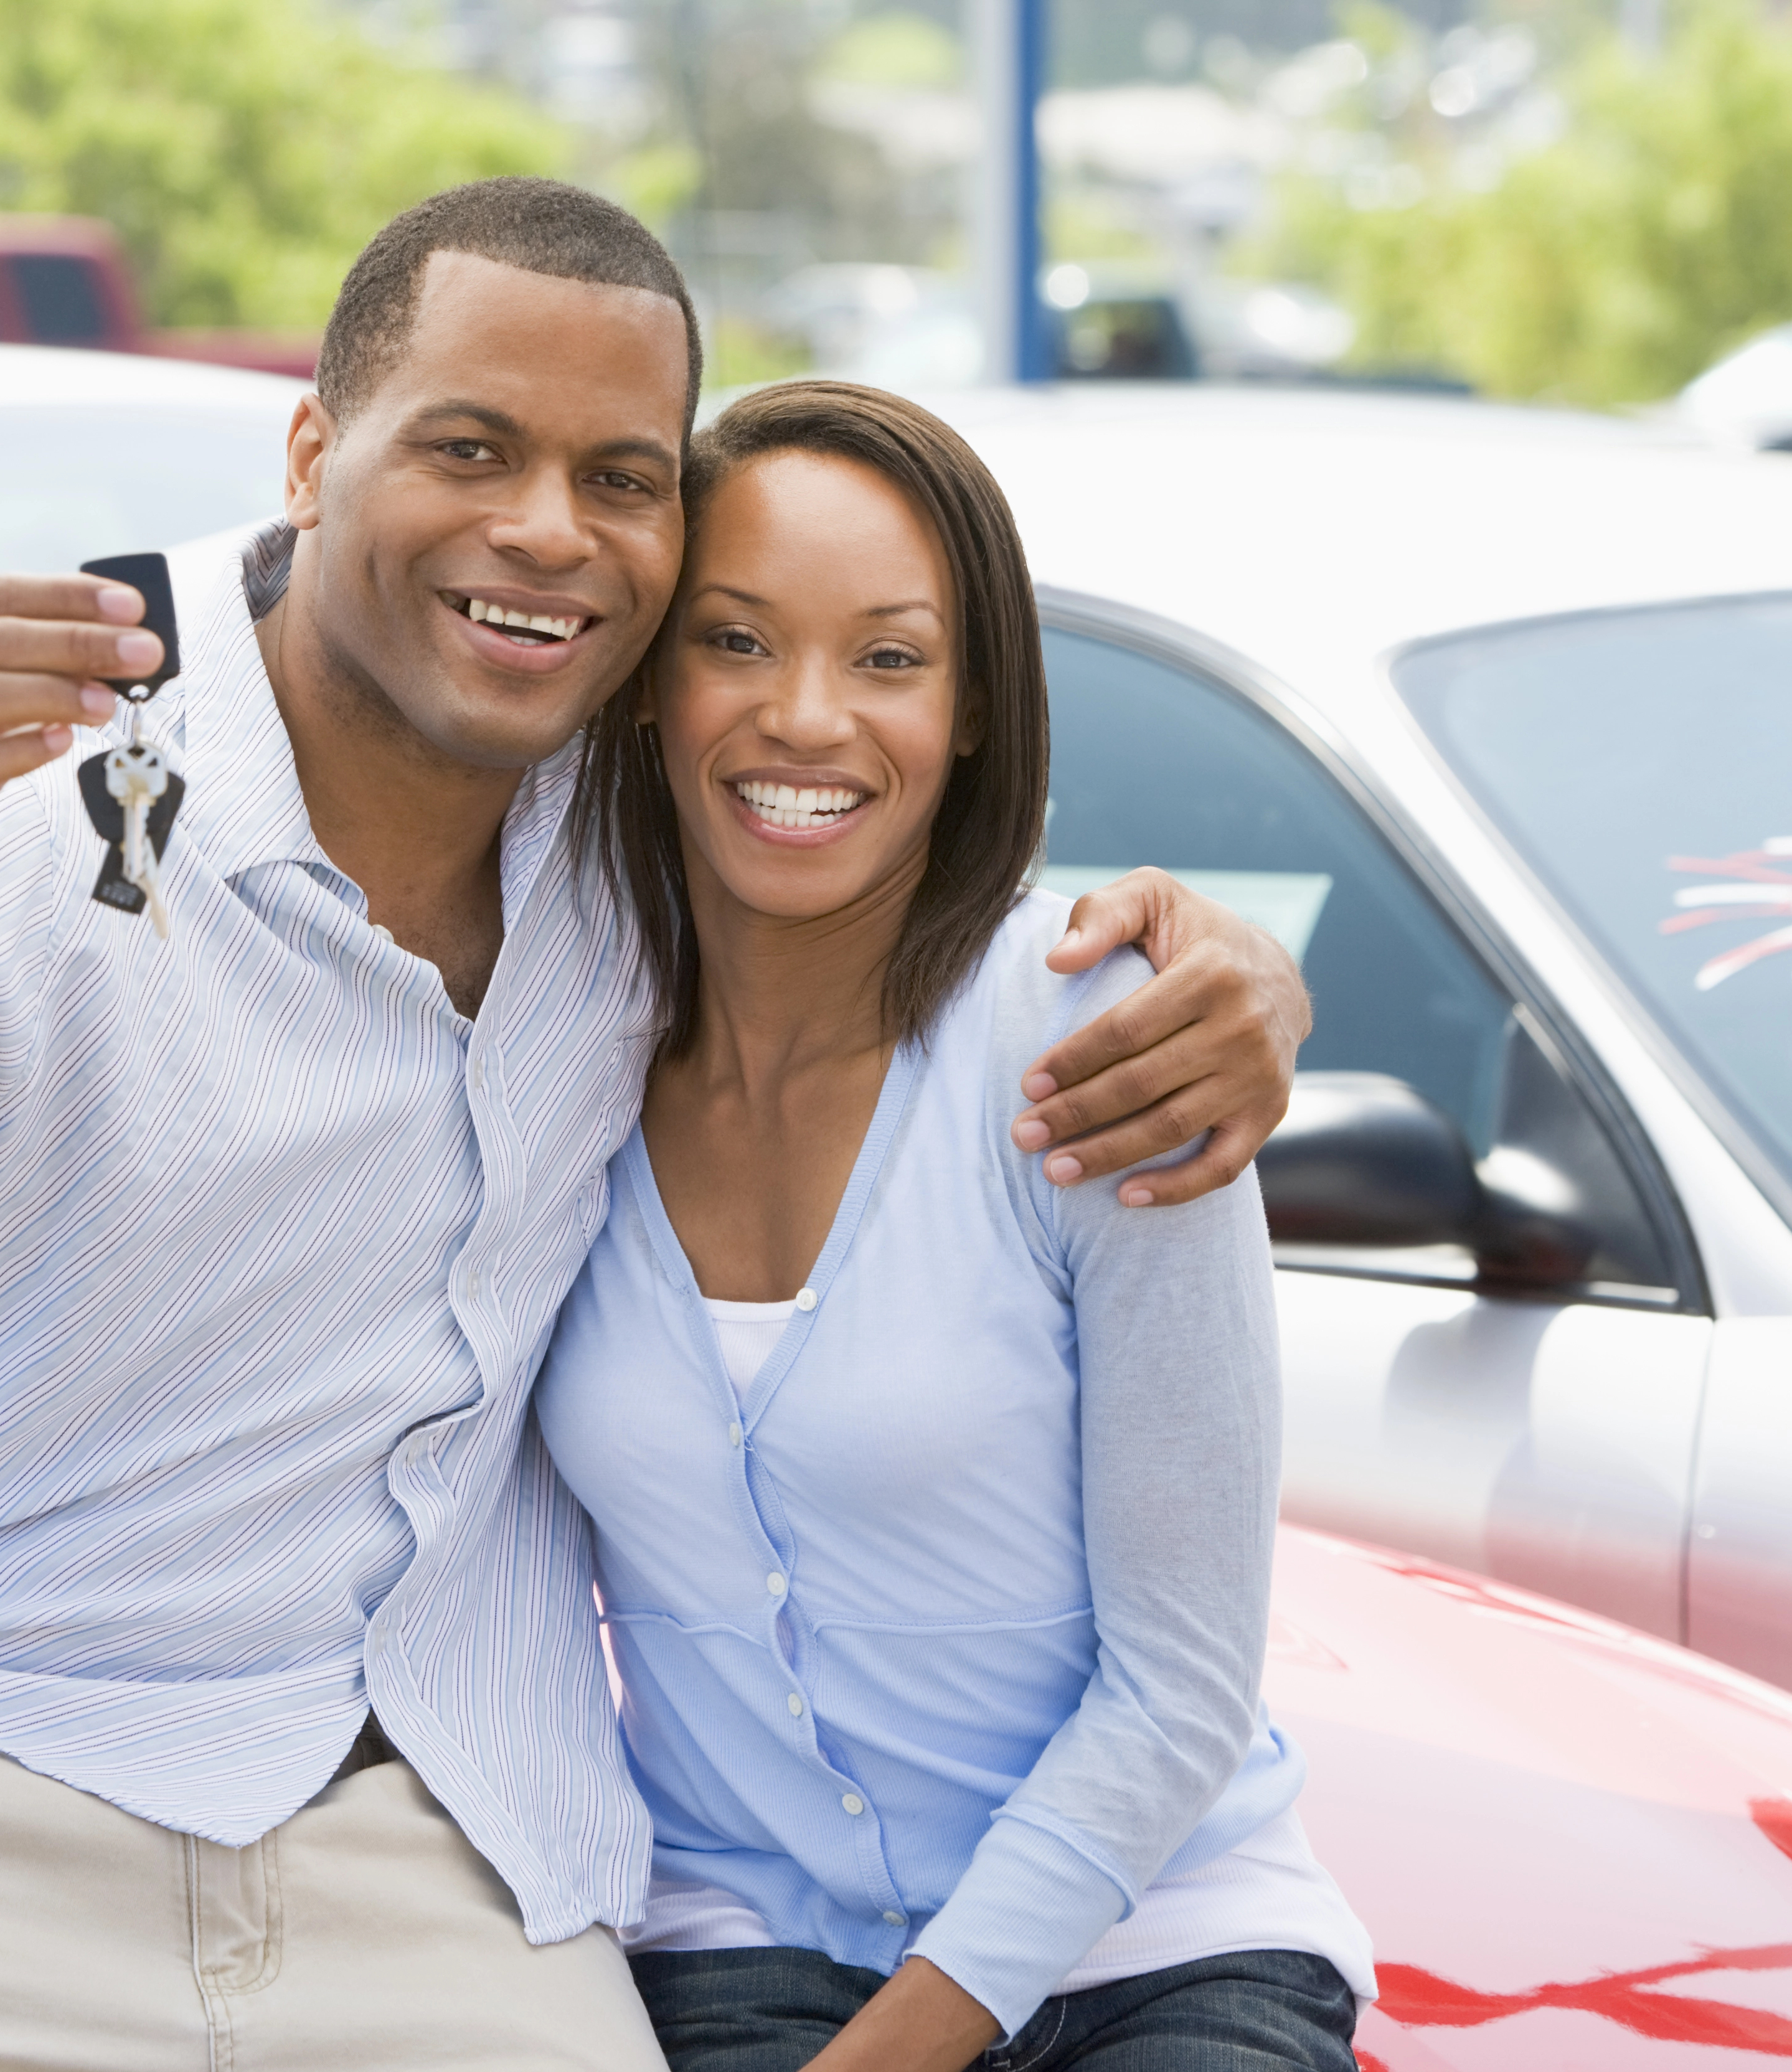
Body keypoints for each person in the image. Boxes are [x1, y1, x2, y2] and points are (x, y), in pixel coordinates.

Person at [0, 178, 1313, 2071]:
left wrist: (1232, 969)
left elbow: (876, 804)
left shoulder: (638, 811)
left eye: (620, 477)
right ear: (316, 449)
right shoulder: (58, 754)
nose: (545, 534)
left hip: (446, 1848)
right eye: (471, 449)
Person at [537, 382, 1371, 2072]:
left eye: (891, 658)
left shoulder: (1096, 1038)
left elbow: (1183, 1691)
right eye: (737, 643)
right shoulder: (543, 1047)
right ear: (644, 682)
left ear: (976, 705)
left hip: (1161, 1942)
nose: (806, 719)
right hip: (743, 1944)